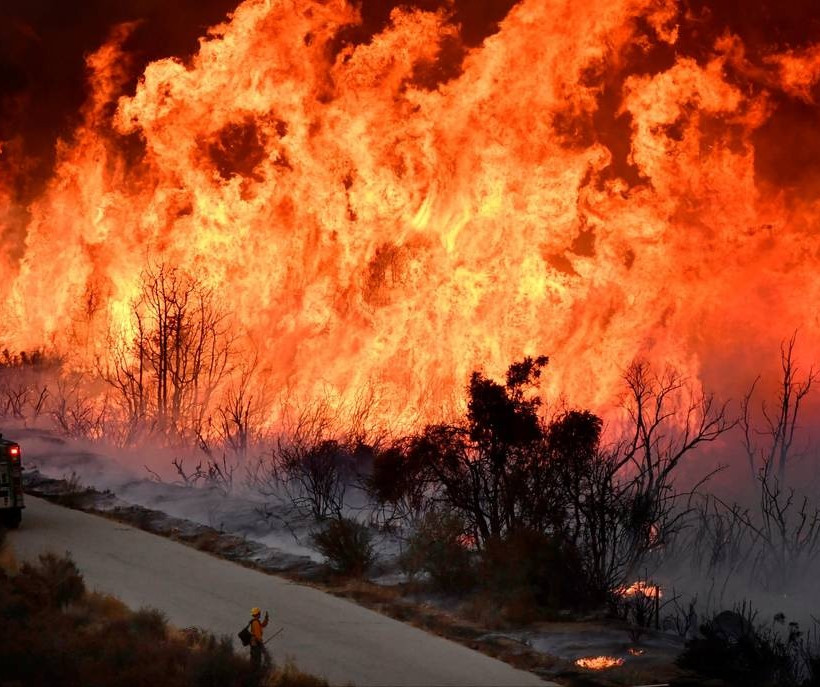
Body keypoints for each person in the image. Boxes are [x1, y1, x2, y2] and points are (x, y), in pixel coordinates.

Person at [249, 607, 271, 672]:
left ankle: (252, 671)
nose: (260, 614)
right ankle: (255, 672)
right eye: (259, 613)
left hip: (254, 644)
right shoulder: (255, 623)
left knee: (254, 660)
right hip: (256, 645)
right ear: (258, 614)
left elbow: (262, 625)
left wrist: (266, 619)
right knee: (257, 660)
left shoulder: (256, 622)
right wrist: (262, 646)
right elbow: (258, 636)